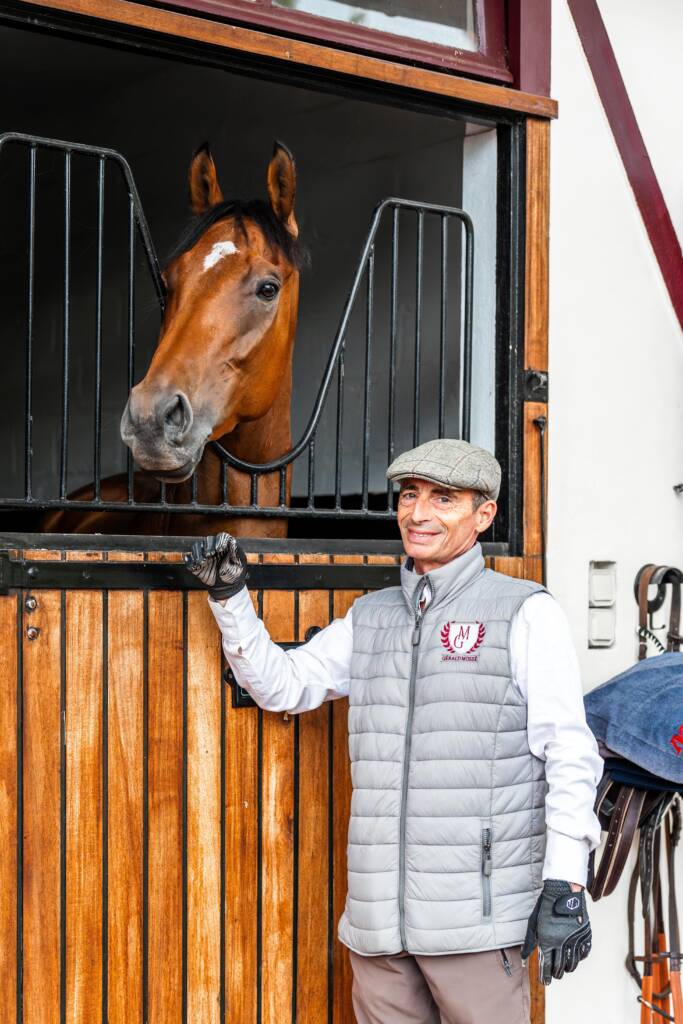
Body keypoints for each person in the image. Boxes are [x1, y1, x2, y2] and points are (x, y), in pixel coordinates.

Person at [185, 438, 602, 1024]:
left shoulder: (526, 612)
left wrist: (566, 880)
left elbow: (570, 752)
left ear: (484, 516)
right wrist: (231, 598)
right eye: (410, 496)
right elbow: (283, 686)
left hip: (475, 927)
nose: (419, 513)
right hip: (379, 928)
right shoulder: (370, 616)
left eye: (443, 498)